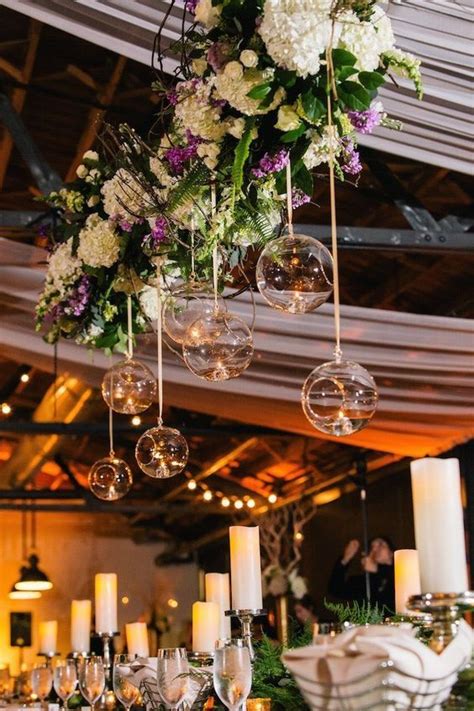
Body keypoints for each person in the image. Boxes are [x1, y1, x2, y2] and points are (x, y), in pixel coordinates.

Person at [328, 536, 395, 612]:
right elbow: (335, 590)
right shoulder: (362, 581)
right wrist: (345, 559)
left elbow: (390, 598)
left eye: (380, 544)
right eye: (372, 547)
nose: (375, 549)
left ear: (391, 553)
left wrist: (376, 572)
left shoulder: (400, 572)